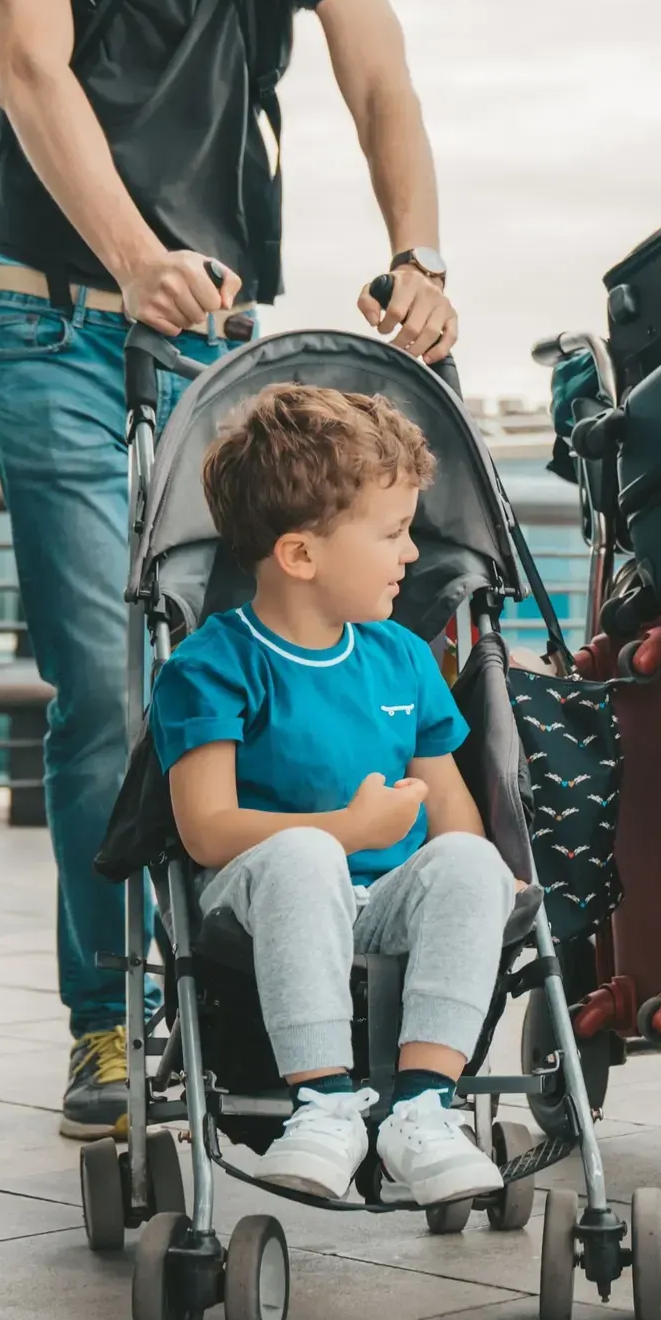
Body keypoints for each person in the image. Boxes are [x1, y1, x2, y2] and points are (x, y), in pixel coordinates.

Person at [0, 0, 463, 1138]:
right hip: (52, 319)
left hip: (210, 345)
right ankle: (109, 1021)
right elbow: (29, 66)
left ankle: (253, 981)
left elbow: (381, 82)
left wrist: (419, 252)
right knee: (102, 686)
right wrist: (134, 253)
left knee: (241, 665)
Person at [149, 384, 508, 1206]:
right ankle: (324, 1106)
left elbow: (446, 800)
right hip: (257, 898)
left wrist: (490, 872)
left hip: (382, 899)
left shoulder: (404, 659)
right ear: (302, 555)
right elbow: (205, 830)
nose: (412, 554)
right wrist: (344, 828)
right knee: (307, 854)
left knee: (468, 861)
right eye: (391, 534)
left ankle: (423, 1107)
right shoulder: (213, 664)